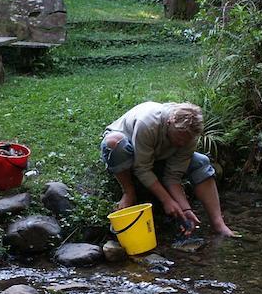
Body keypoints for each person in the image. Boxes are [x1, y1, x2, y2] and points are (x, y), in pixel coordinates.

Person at [100, 101, 240, 238]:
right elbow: (142, 168)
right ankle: (129, 192)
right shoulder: (147, 123)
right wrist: (167, 200)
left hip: (157, 157)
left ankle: (218, 224)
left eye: (186, 141)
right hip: (128, 152)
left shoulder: (189, 136)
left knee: (201, 162)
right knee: (115, 142)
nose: (181, 143)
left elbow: (173, 176)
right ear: (169, 122)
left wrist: (185, 209)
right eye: (179, 138)